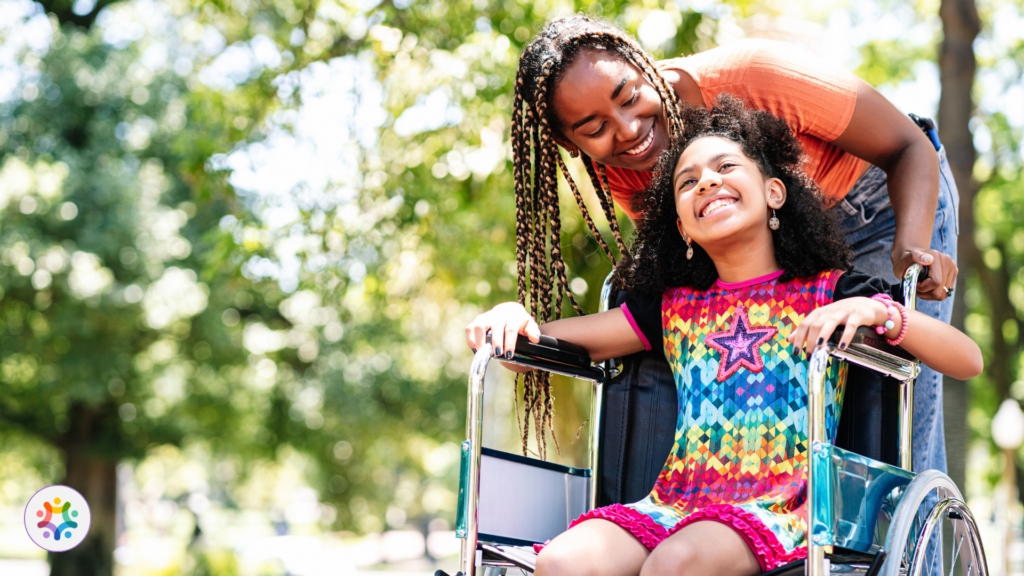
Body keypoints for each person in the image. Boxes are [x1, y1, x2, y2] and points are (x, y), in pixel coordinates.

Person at [469, 99, 981, 576]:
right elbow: (546, 345)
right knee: (563, 562)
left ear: (774, 191)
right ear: (683, 228)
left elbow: (967, 360)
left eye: (726, 167)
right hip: (674, 503)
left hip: (784, 507)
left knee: (675, 565)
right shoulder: (672, 309)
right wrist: (515, 318)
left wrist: (880, 312)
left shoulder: (835, 293)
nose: (707, 183)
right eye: (687, 183)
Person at [510, 14, 959, 475]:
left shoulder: (752, 74)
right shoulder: (625, 166)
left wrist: (910, 251)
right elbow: (700, 260)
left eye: (628, 97)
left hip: (882, 204)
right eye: (594, 127)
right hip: (775, 242)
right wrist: (523, 327)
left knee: (894, 421)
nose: (626, 129)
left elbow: (908, 145)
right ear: (569, 143)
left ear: (644, 66)